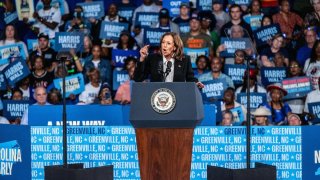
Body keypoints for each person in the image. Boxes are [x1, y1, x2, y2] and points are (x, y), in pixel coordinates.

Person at [134, 32, 203, 87]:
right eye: (163, 42)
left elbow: (190, 78)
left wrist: (196, 83)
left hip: (177, 95)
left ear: (174, 47)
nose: (164, 45)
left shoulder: (184, 59)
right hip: (157, 96)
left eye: (168, 43)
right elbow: (138, 78)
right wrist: (142, 58)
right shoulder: (153, 58)